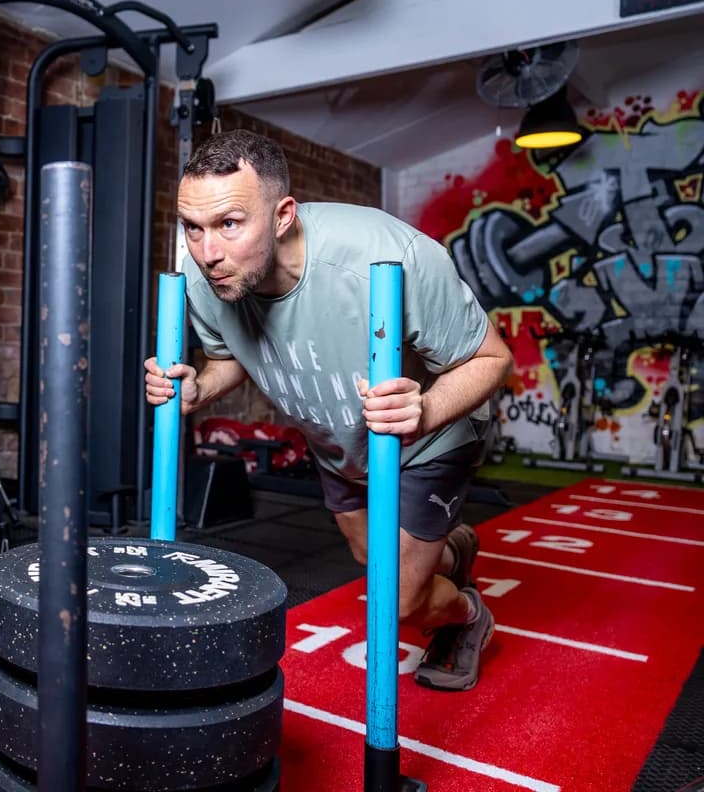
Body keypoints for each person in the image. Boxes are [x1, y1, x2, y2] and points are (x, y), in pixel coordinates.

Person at [145, 129, 514, 691]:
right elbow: (231, 355)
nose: (207, 251)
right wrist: (199, 388)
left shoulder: (388, 256)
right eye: (192, 228)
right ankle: (448, 549)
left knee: (399, 601)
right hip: (338, 440)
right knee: (371, 553)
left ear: (283, 216)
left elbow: (492, 358)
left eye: (229, 224)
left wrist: (425, 409)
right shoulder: (207, 278)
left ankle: (467, 617)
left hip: (427, 436)